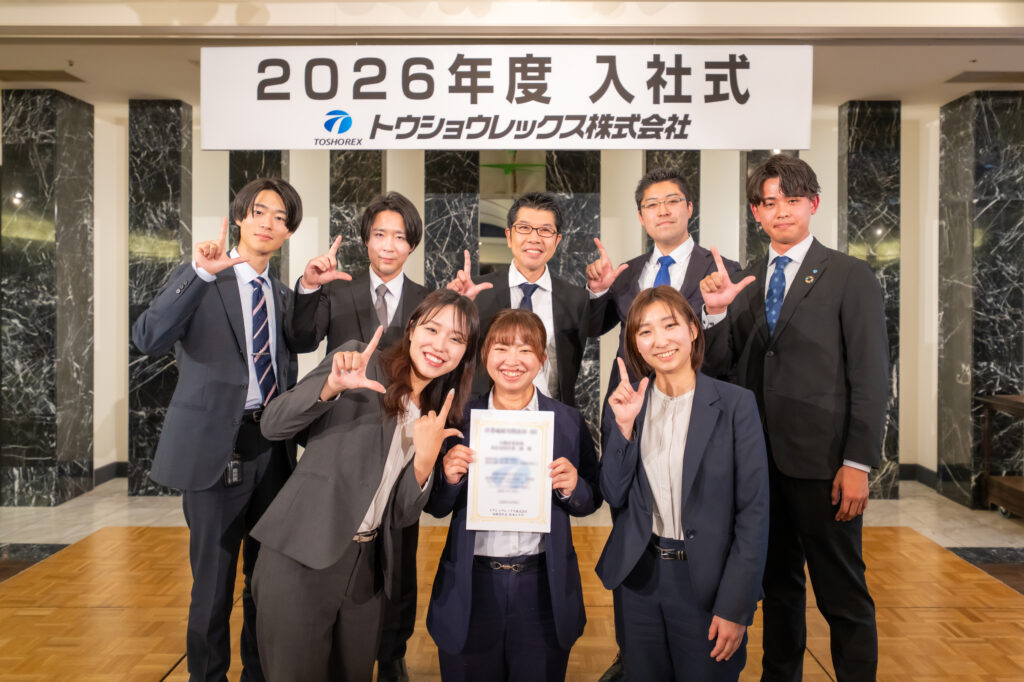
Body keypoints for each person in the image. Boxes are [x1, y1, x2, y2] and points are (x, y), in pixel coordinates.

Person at [699, 154, 888, 681]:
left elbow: (871, 377)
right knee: (778, 591)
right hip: (759, 468)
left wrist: (858, 462)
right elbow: (721, 370)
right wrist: (715, 313)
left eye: (792, 199)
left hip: (825, 468)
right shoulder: (744, 280)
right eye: (768, 202)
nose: (780, 210)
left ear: (814, 204)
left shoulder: (849, 275)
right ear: (755, 212)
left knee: (842, 594)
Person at [250, 289, 480, 682]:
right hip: (301, 555)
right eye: (432, 329)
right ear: (412, 329)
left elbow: (401, 515)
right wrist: (331, 387)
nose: (440, 345)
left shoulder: (436, 414)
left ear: (466, 353)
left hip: (367, 570)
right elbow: (273, 424)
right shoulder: (360, 361)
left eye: (456, 339)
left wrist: (424, 462)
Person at [131, 177, 303, 681]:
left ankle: (258, 674)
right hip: (216, 450)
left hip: (272, 448)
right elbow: (147, 337)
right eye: (260, 212)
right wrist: (198, 275)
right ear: (240, 217)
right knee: (212, 584)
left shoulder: (280, 294)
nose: (268, 223)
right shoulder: (204, 279)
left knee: (266, 581)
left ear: (288, 232)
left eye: (280, 217)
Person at [585, 167, 741, 681]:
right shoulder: (625, 273)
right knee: (631, 517)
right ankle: (636, 644)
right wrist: (598, 293)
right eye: (652, 204)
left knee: (702, 520)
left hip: (701, 417)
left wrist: (716, 315)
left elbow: (734, 354)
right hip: (632, 410)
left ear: (689, 208)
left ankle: (697, 626)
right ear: (641, 216)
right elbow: (591, 329)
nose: (663, 211)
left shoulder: (720, 269)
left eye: (673, 201)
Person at [285, 190, 429, 682]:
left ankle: (391, 653)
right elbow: (301, 338)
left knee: (400, 550)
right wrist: (309, 286)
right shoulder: (338, 290)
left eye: (399, 236)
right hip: (345, 434)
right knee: (340, 538)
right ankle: (334, 634)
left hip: (401, 443)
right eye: (379, 234)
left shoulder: (426, 298)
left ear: (412, 244)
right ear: (366, 240)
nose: (388, 245)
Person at [596, 286, 769, 681]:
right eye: (645, 331)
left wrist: (735, 606)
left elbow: (754, 514)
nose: (660, 340)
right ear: (635, 345)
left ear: (692, 330)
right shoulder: (628, 405)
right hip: (640, 579)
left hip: (706, 582)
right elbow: (613, 493)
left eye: (669, 325)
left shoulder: (736, 404)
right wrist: (623, 428)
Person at [425, 308, 601, 681]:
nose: (512, 361)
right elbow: (436, 506)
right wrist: (448, 477)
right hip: (472, 586)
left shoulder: (567, 421)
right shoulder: (460, 419)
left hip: (542, 587)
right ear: (485, 355)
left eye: (525, 350)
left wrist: (574, 487)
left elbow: (592, 498)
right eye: (501, 348)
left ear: (542, 359)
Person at [447, 191, 589, 406]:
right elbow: (450, 348)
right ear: (509, 236)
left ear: (557, 240)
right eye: (524, 228)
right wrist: (455, 308)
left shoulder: (576, 299)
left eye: (545, 230)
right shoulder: (476, 292)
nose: (534, 238)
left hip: (552, 414)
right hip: (485, 413)